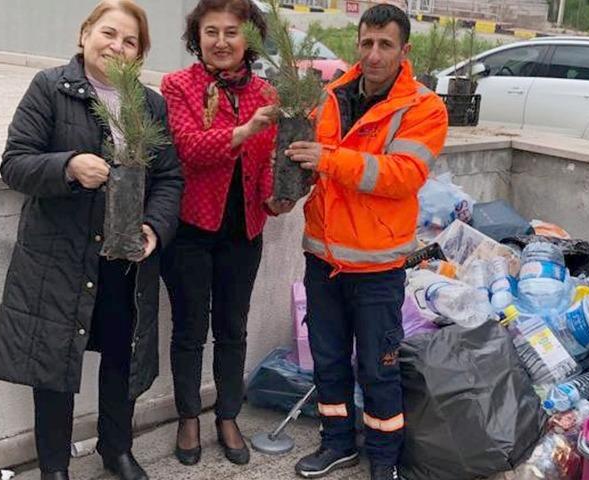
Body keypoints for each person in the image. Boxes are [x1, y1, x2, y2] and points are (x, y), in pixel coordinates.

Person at [0, 2, 183, 479]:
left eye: (130, 41)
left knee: (122, 356)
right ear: (85, 34)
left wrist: (154, 227)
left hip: (125, 260)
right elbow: (14, 162)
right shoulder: (50, 89)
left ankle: (117, 450)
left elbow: (169, 178)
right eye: (108, 33)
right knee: (54, 366)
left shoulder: (150, 104)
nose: (117, 45)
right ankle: (54, 465)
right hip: (59, 257)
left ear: (138, 54)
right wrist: (69, 166)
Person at [286, 4, 448, 480]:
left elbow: (401, 176)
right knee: (329, 361)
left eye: (385, 45)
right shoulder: (332, 95)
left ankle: (384, 458)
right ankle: (336, 443)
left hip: (377, 268)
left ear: (404, 50)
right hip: (322, 258)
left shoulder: (423, 108)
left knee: (379, 369)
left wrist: (329, 159)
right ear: (358, 44)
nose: (374, 55)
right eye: (367, 43)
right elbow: (307, 166)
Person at [159, 0, 293, 467]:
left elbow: (271, 161)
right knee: (190, 330)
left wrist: (280, 198)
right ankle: (189, 416)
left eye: (231, 32)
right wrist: (242, 130)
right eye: (210, 32)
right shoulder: (178, 85)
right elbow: (188, 148)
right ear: (197, 38)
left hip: (244, 231)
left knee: (233, 328)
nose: (220, 42)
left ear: (249, 39)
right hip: (191, 229)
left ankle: (228, 415)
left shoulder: (266, 92)